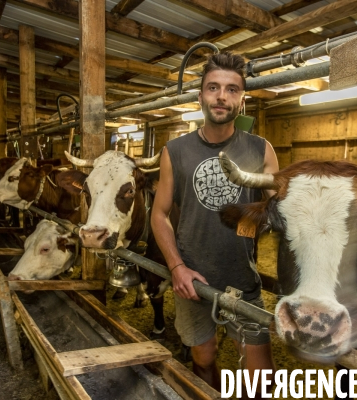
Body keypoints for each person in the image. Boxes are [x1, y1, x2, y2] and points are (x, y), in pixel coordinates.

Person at [151, 51, 279, 395]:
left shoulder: (261, 150)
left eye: (232, 89)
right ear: (201, 97)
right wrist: (176, 267)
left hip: (243, 282)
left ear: (242, 100)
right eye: (213, 88)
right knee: (204, 359)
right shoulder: (175, 151)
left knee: (261, 379)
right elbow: (158, 214)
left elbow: (277, 211)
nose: (222, 96)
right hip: (193, 283)